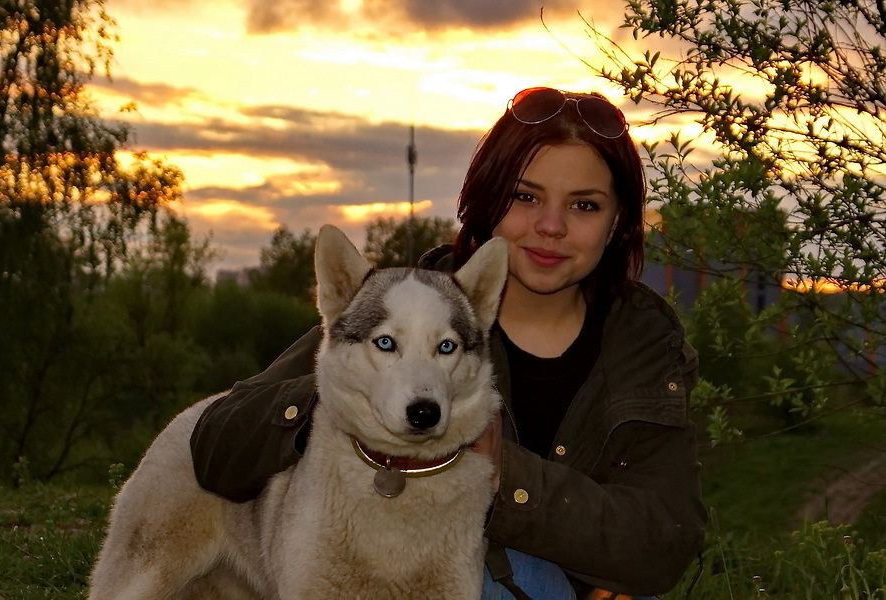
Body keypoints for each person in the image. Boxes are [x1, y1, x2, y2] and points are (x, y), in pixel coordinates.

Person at [190, 87, 707, 600]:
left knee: (517, 576)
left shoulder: (643, 346)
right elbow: (216, 449)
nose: (551, 226)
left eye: (585, 205)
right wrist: (345, 400)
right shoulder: (405, 305)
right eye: (525, 197)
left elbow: (664, 543)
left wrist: (505, 474)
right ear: (488, 201)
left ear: (617, 222)